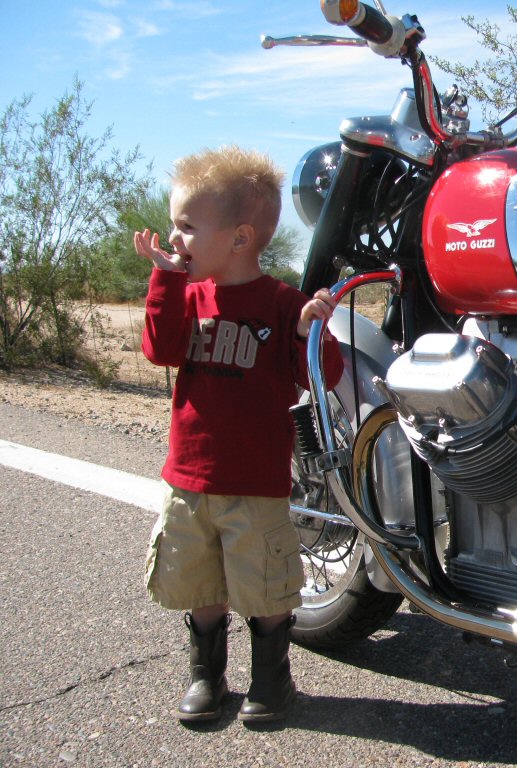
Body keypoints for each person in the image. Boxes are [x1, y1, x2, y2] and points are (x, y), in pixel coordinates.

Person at [134, 145, 342, 724]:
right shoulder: (188, 294)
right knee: (200, 583)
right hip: (190, 478)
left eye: (186, 227)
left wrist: (310, 331)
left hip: (256, 483)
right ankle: (207, 676)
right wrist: (164, 280)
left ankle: (272, 681)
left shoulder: (280, 305)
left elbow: (323, 375)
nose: (174, 239)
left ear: (240, 237)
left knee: (266, 590)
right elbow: (160, 350)